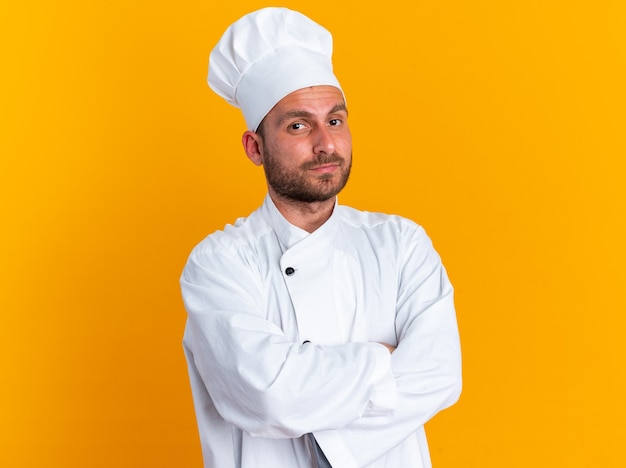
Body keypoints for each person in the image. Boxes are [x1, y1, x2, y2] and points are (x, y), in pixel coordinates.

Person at [181, 7, 462, 468]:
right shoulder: (218, 264)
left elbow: (441, 373)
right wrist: (382, 361)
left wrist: (315, 399)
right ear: (255, 147)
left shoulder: (402, 245)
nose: (325, 144)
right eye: (298, 125)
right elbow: (271, 395)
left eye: (335, 120)